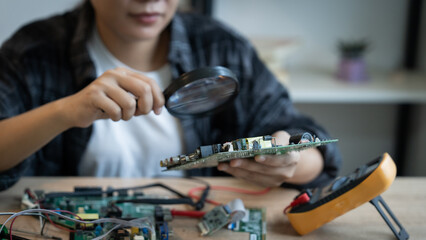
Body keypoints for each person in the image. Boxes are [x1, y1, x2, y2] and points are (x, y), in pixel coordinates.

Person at [0, 0, 341, 191]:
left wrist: (288, 162)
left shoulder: (221, 47)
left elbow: (310, 147)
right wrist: (65, 112)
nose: (151, 1)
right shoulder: (34, 51)